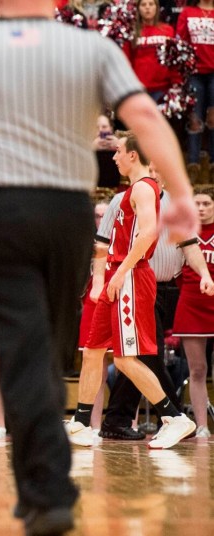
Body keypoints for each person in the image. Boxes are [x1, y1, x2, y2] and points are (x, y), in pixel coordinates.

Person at [0, 1, 199, 531]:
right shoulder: (91, 47)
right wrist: (181, 194)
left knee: (22, 350)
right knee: (48, 348)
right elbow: (145, 118)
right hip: (65, 211)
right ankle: (42, 488)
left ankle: (45, 491)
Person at [69, 131, 197, 449]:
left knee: (126, 359)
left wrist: (121, 272)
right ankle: (81, 423)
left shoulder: (143, 187)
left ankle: (174, 418)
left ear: (133, 155)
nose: (113, 157)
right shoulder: (130, 191)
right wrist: (105, 278)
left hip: (131, 277)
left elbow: (149, 233)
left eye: (118, 151)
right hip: (119, 274)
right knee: (92, 352)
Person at [172, 187, 214, 437]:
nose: (201, 208)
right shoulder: (185, 232)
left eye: (206, 203)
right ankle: (202, 427)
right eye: (196, 203)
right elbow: (176, 270)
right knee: (197, 369)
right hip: (191, 303)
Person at [177, 0, 214, 183]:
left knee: (213, 119)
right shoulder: (187, 12)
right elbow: (180, 43)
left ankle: (213, 165)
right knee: (195, 120)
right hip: (194, 74)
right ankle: (193, 164)